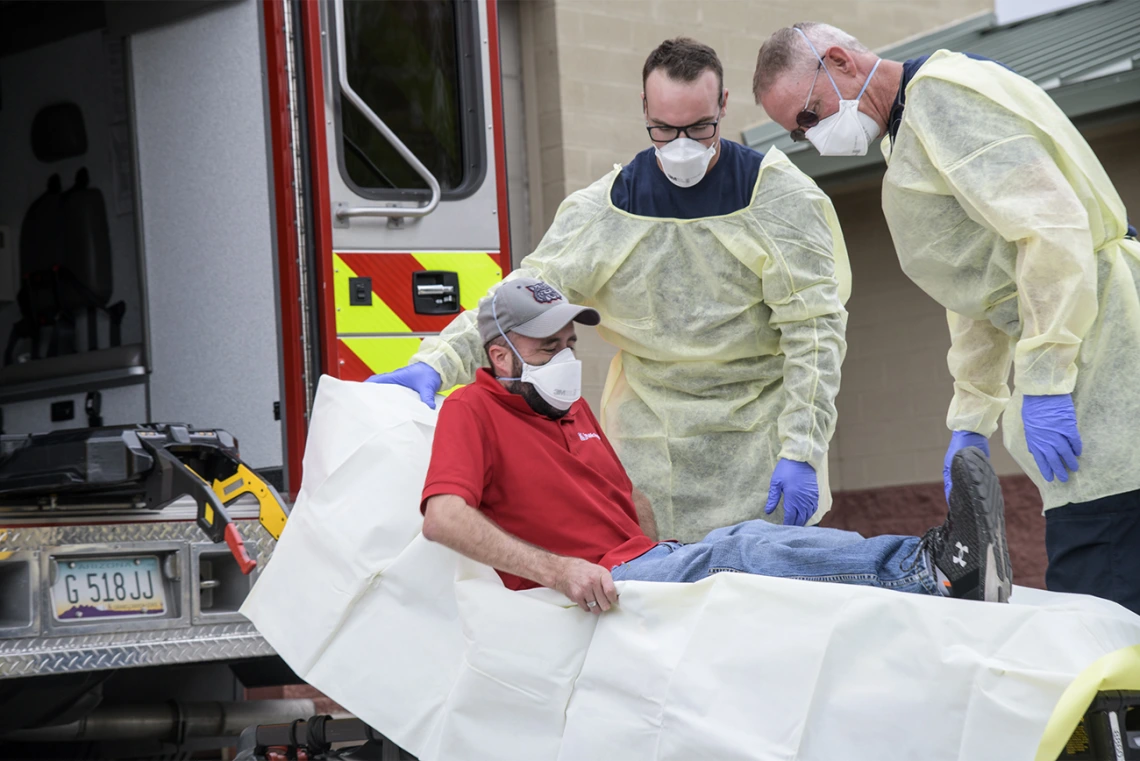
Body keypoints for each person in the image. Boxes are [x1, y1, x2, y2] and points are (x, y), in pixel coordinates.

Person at [370, 38, 852, 543]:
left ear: (724, 105)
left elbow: (815, 335)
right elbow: (522, 298)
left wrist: (801, 447)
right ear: (644, 109)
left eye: (700, 127)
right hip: (648, 446)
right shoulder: (606, 210)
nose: (682, 144)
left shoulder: (781, 200)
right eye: (664, 129)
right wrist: (437, 361)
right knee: (653, 593)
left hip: (760, 444)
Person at [752, 23, 1140, 613]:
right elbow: (983, 291)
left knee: (1105, 592)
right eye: (799, 134)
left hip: (1106, 349)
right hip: (1093, 344)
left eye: (809, 115)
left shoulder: (943, 100)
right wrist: (973, 415)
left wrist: (1046, 378)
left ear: (839, 61)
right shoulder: (912, 127)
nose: (812, 136)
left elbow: (1049, 232)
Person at [420, 278, 1013, 609]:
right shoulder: (472, 411)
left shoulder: (569, 408)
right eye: (550, 348)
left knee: (744, 539)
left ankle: (934, 562)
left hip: (641, 562)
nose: (566, 358)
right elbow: (443, 518)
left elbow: (629, 504)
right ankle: (933, 568)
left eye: (571, 343)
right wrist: (559, 572)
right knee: (739, 551)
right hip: (595, 586)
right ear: (501, 355)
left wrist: (651, 540)